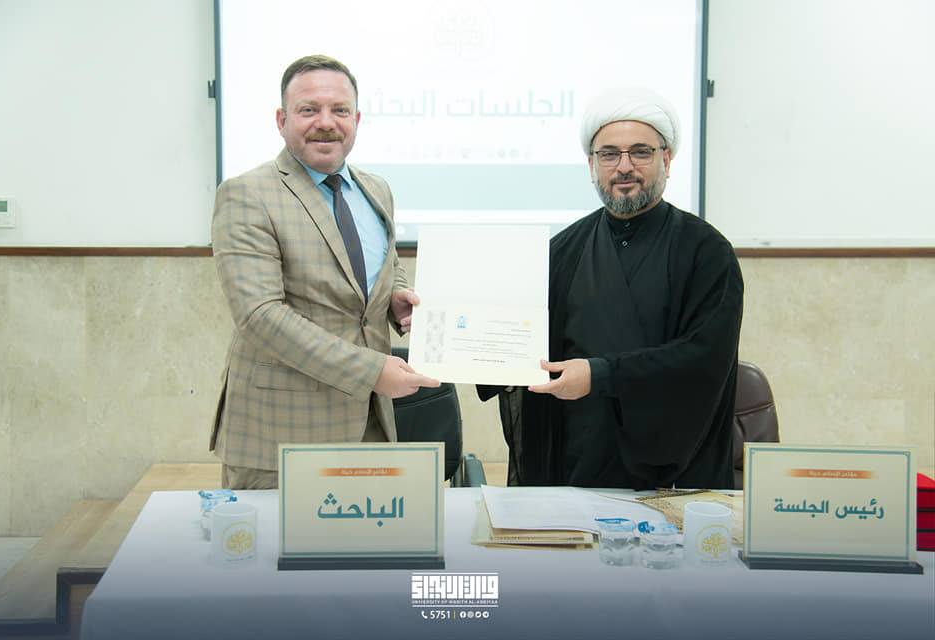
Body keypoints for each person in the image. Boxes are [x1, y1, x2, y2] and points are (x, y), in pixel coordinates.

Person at [482, 87, 743, 490]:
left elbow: (704, 357)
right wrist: (447, 328)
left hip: (671, 472)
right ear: (592, 164)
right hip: (574, 464)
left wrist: (600, 374)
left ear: (666, 159)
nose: (624, 167)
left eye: (640, 152)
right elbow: (518, 341)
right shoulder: (561, 251)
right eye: (609, 154)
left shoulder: (706, 252)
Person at [209, 55, 438, 490]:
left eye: (340, 110)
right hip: (282, 436)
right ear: (282, 121)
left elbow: (384, 263)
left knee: (368, 535)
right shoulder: (246, 195)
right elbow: (260, 315)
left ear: (357, 119)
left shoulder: (376, 189)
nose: (326, 123)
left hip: (371, 425)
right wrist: (372, 371)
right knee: (272, 539)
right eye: (308, 109)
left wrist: (394, 296)